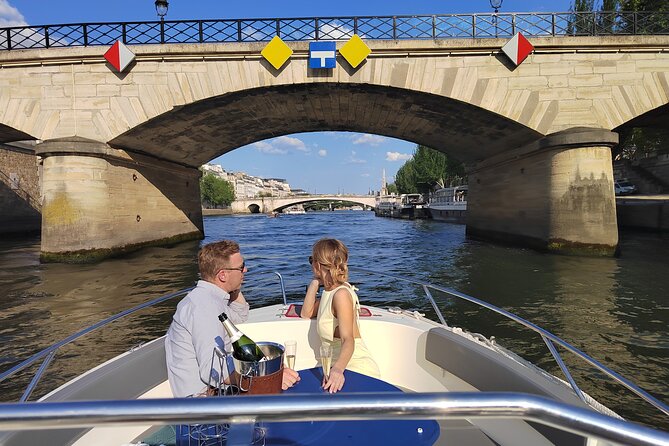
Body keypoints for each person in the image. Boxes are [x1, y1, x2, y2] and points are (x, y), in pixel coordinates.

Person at [165, 240, 299, 397]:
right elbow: (213, 370)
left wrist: (234, 284)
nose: (246, 270)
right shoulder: (203, 307)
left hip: (218, 393)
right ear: (222, 275)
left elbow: (240, 315)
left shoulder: (212, 298)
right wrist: (267, 377)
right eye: (241, 268)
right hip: (205, 406)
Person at [300, 238, 380, 393]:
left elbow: (348, 339)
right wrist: (315, 283)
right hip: (336, 368)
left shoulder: (341, 294)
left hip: (353, 367)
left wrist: (337, 370)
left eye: (311, 260)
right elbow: (306, 313)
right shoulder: (329, 292)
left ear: (317, 265)